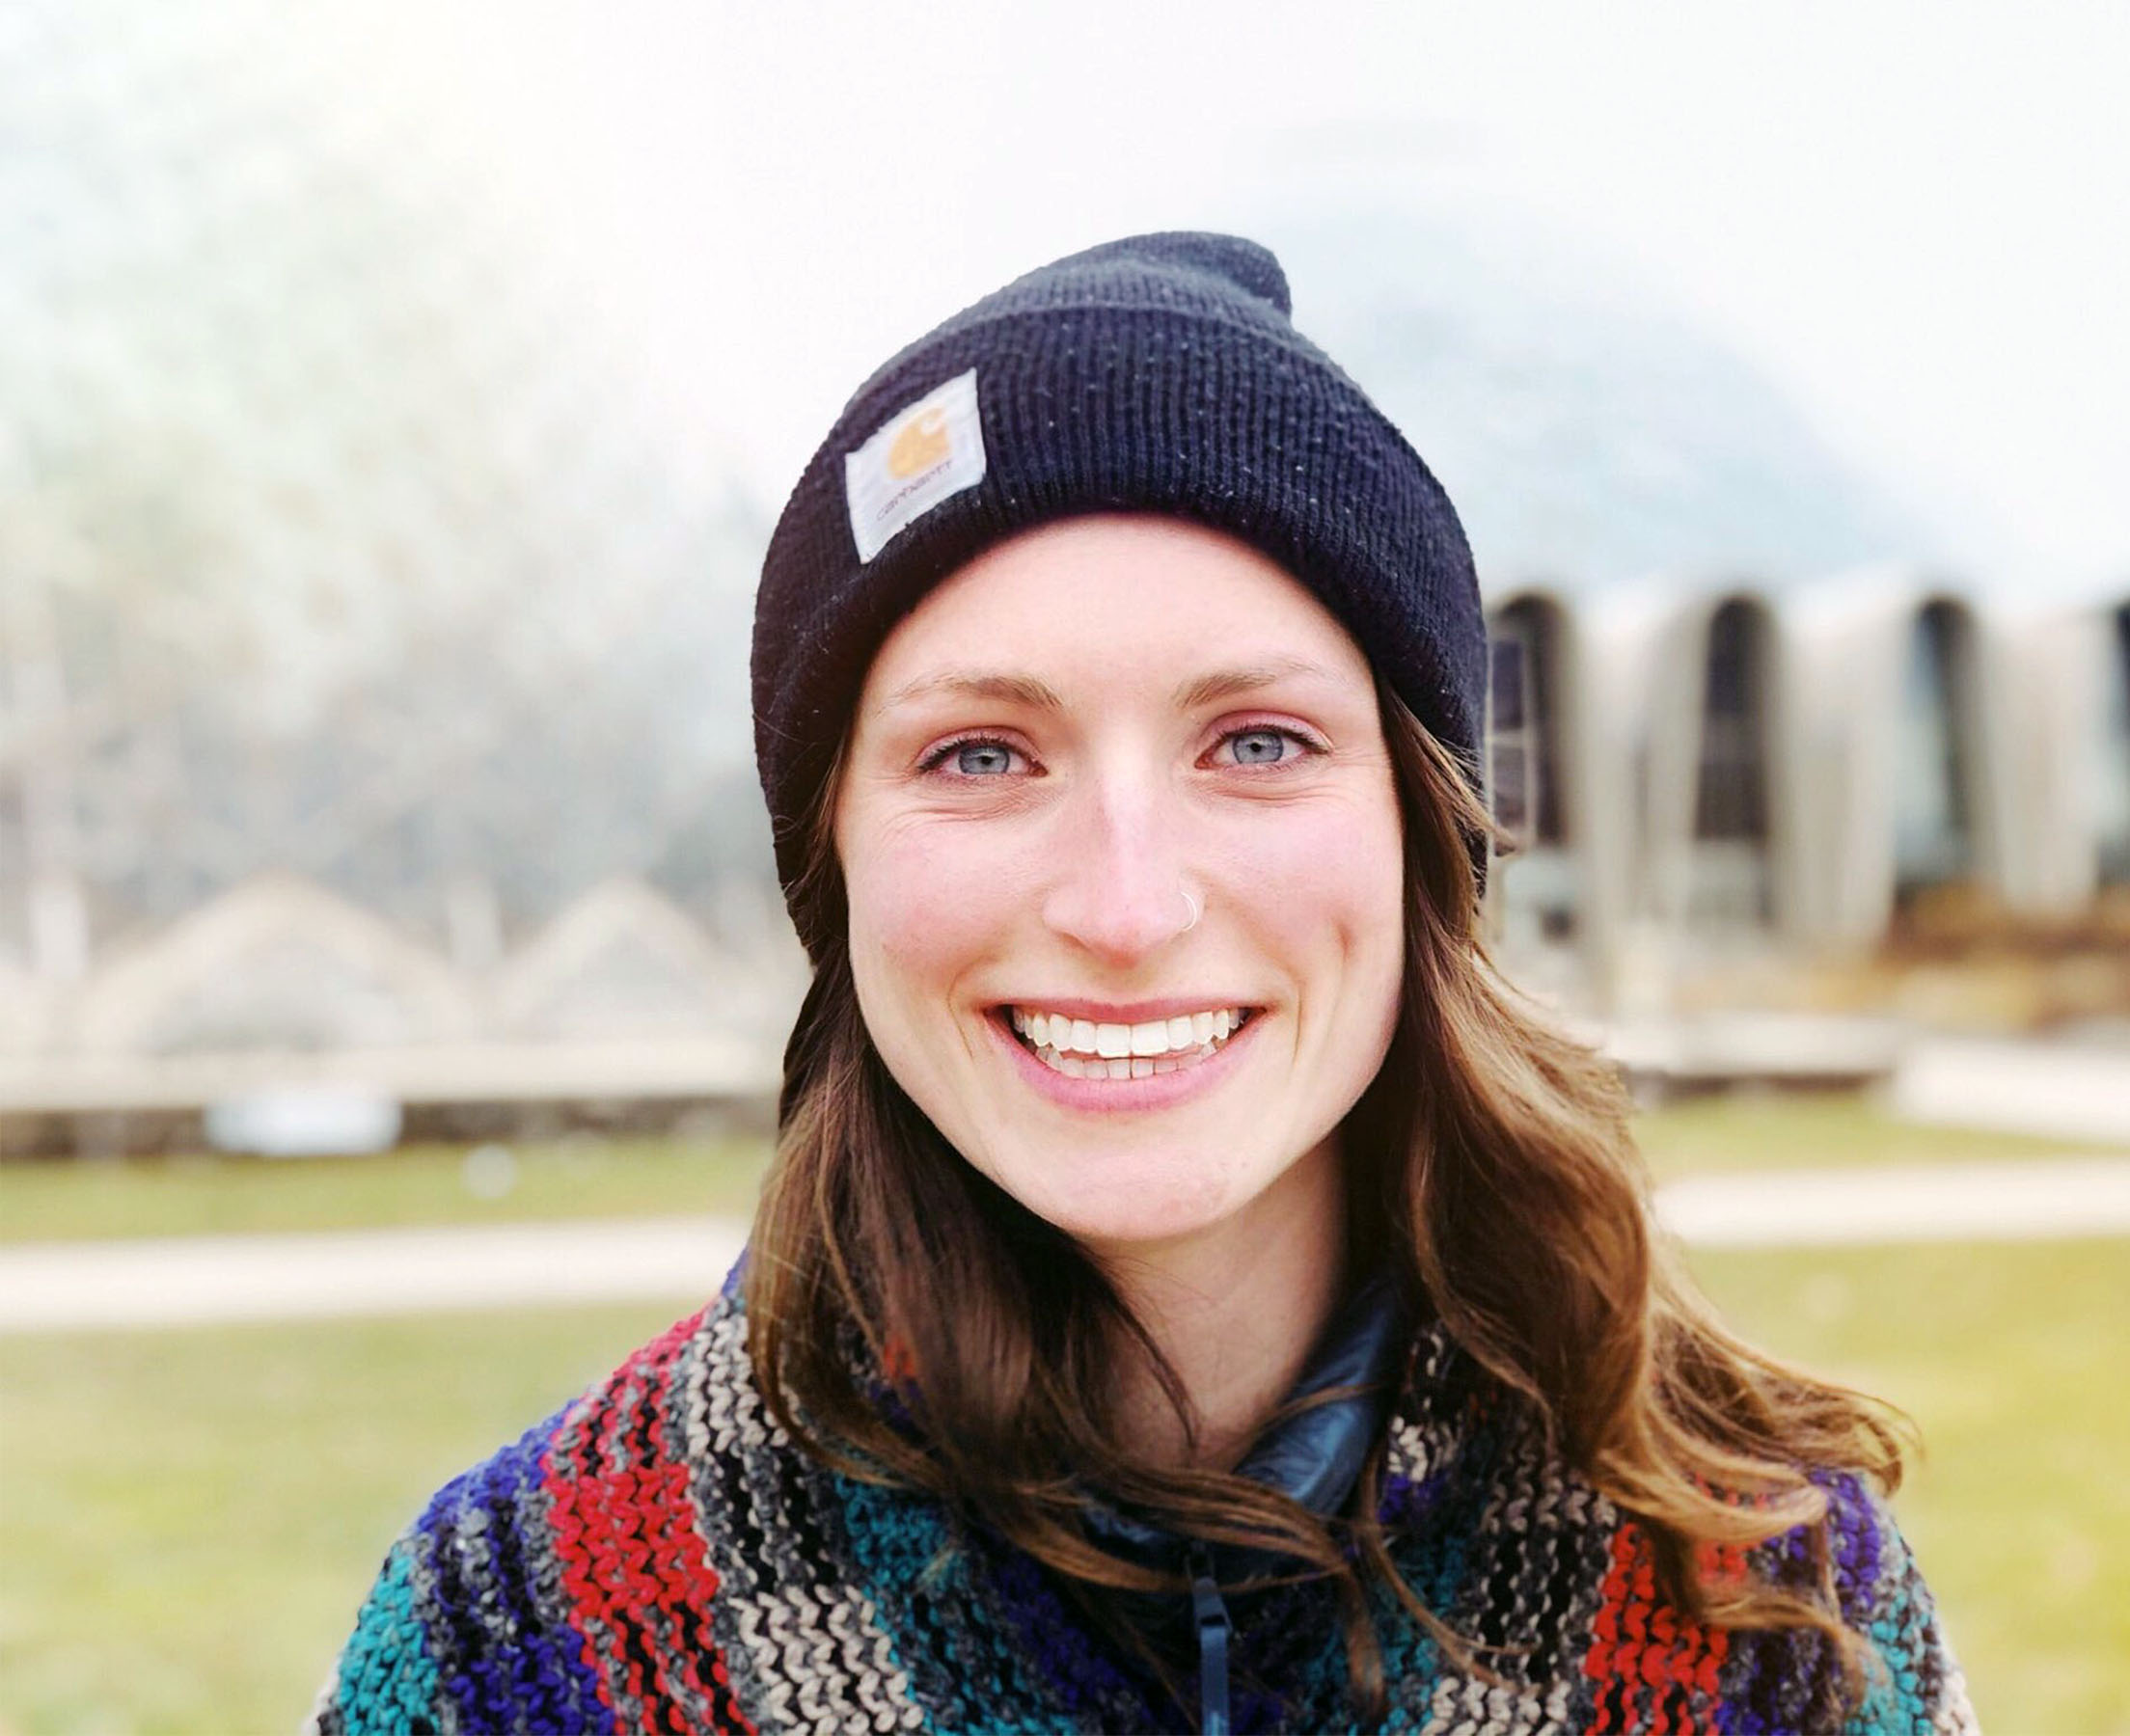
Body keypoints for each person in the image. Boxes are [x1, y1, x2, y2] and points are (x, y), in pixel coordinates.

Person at [314, 232, 1975, 1735]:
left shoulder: (1769, 1616)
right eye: (980, 753)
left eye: (1256, 742)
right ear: (835, 868)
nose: (1125, 904)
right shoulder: (521, 1644)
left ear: (1424, 843)